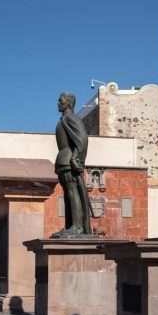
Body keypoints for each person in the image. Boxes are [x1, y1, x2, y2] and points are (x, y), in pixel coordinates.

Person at [53, 92, 91, 237]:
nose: (58, 102)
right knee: (68, 194)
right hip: (63, 160)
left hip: (69, 161)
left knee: (72, 192)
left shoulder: (71, 117)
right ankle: (70, 225)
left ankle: (77, 226)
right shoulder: (64, 118)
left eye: (60, 100)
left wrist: (77, 157)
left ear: (69, 103)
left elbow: (82, 138)